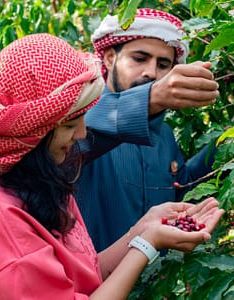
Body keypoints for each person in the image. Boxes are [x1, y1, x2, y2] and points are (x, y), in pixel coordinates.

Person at [0, 33, 224, 299]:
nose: (81, 133)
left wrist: (141, 231)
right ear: (31, 131)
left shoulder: (41, 180)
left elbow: (78, 276)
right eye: (69, 124)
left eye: (163, 64)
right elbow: (102, 126)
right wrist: (146, 243)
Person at [75, 8, 221, 252]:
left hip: (154, 284)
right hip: (92, 284)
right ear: (110, 58)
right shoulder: (78, 118)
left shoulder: (163, 134)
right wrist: (149, 99)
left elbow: (180, 189)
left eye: (163, 64)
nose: (151, 72)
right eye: (140, 59)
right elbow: (79, 142)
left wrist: (228, 141)